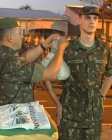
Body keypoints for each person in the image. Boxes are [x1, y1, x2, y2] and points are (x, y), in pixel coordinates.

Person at [44, 6, 112, 140]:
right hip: (70, 118)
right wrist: (57, 103)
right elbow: (45, 75)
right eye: (87, 18)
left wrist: (102, 95)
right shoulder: (67, 48)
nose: (92, 21)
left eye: (95, 18)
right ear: (79, 20)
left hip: (94, 118)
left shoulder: (104, 49)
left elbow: (110, 73)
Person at [0, 17, 69, 106]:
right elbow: (50, 74)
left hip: (5, 113)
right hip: (17, 116)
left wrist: (43, 45)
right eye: (19, 33)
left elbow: (22, 59)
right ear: (10, 38)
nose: (22, 36)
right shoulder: (12, 61)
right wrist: (60, 49)